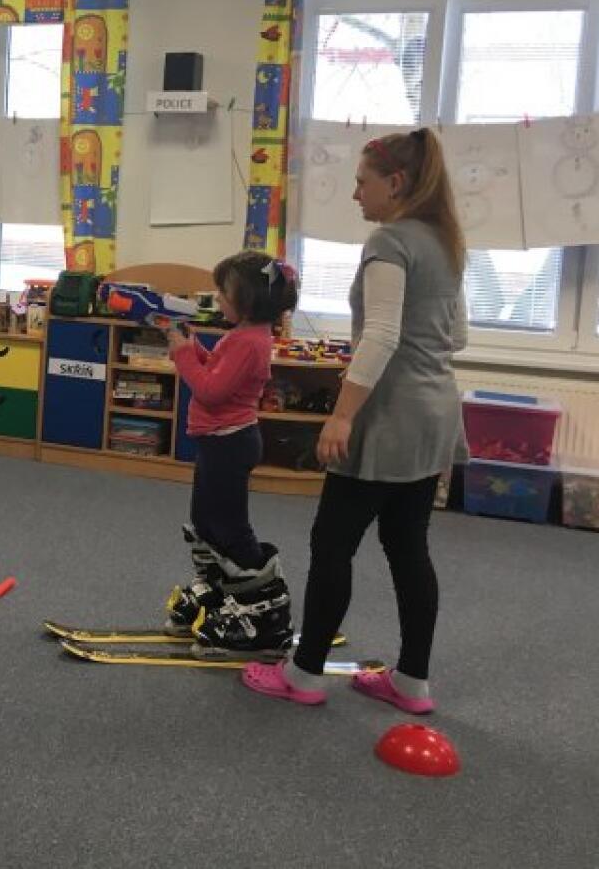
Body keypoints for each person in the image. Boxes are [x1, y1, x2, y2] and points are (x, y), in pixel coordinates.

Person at [244, 128, 467, 711]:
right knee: (407, 545)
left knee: (332, 543)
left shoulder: (390, 241)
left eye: (362, 182)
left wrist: (342, 416)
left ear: (396, 183)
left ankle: (305, 675)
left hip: (387, 417)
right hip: (435, 412)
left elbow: (383, 336)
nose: (355, 194)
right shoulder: (445, 241)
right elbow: (457, 336)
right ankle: (412, 681)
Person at [164, 251, 301, 650]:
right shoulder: (242, 336)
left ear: (248, 300)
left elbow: (210, 390)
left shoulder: (250, 342)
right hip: (218, 441)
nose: (217, 298)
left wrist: (183, 354)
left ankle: (265, 609)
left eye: (223, 292)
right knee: (204, 520)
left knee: (229, 526)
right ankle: (220, 589)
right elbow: (216, 372)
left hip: (230, 443)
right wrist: (195, 348)